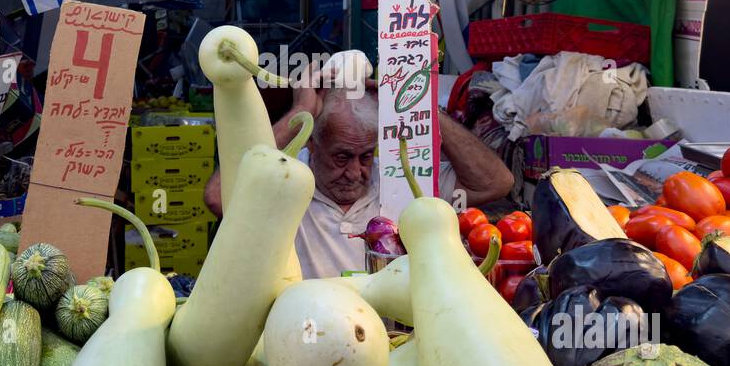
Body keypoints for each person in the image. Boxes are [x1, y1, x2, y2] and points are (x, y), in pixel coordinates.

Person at [203, 79, 515, 279]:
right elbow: (218, 196)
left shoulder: (399, 178)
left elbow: (496, 182)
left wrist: (418, 108)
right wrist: (301, 111)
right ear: (311, 141)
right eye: (341, 157)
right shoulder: (285, 180)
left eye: (365, 156)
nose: (354, 173)